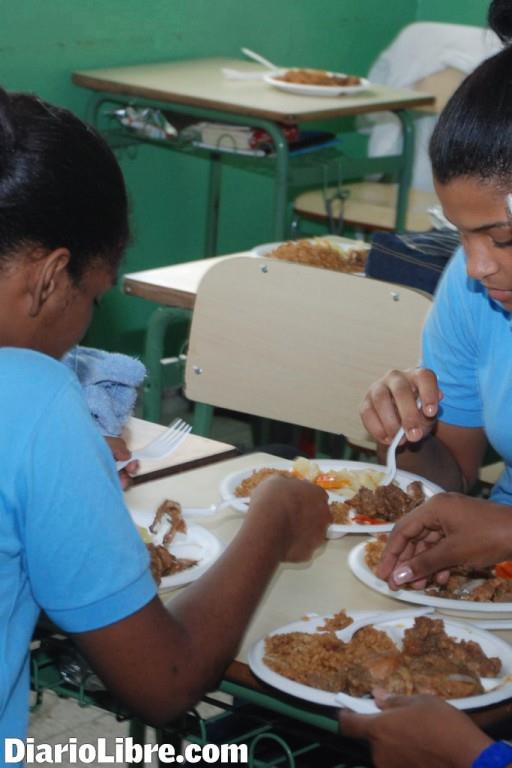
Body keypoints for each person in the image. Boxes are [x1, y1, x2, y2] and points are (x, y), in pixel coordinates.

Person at [0, 86, 331, 756]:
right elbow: (165, 680)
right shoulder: (33, 395)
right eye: (94, 298)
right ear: (51, 277)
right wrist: (273, 518)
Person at [339, 3, 512, 766]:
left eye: (501, 237)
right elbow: (456, 476)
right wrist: (415, 433)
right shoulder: (476, 288)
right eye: (460, 235)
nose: (476, 266)